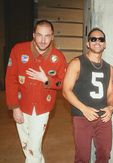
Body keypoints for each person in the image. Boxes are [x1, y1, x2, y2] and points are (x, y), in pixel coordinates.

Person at [5, 20, 67, 163]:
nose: (43, 40)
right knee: (27, 145)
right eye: (39, 35)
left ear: (52, 37)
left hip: (42, 109)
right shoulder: (18, 50)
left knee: (33, 146)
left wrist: (47, 80)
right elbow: (10, 79)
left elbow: (63, 83)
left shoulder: (58, 58)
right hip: (21, 105)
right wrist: (14, 107)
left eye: (47, 36)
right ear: (33, 35)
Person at [62, 28, 113, 163]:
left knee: (104, 155)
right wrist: (84, 109)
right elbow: (66, 90)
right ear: (88, 43)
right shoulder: (76, 63)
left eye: (101, 39)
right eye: (93, 39)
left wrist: (110, 107)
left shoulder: (109, 68)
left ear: (105, 44)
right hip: (82, 116)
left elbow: (110, 92)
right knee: (82, 157)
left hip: (103, 118)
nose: (97, 42)